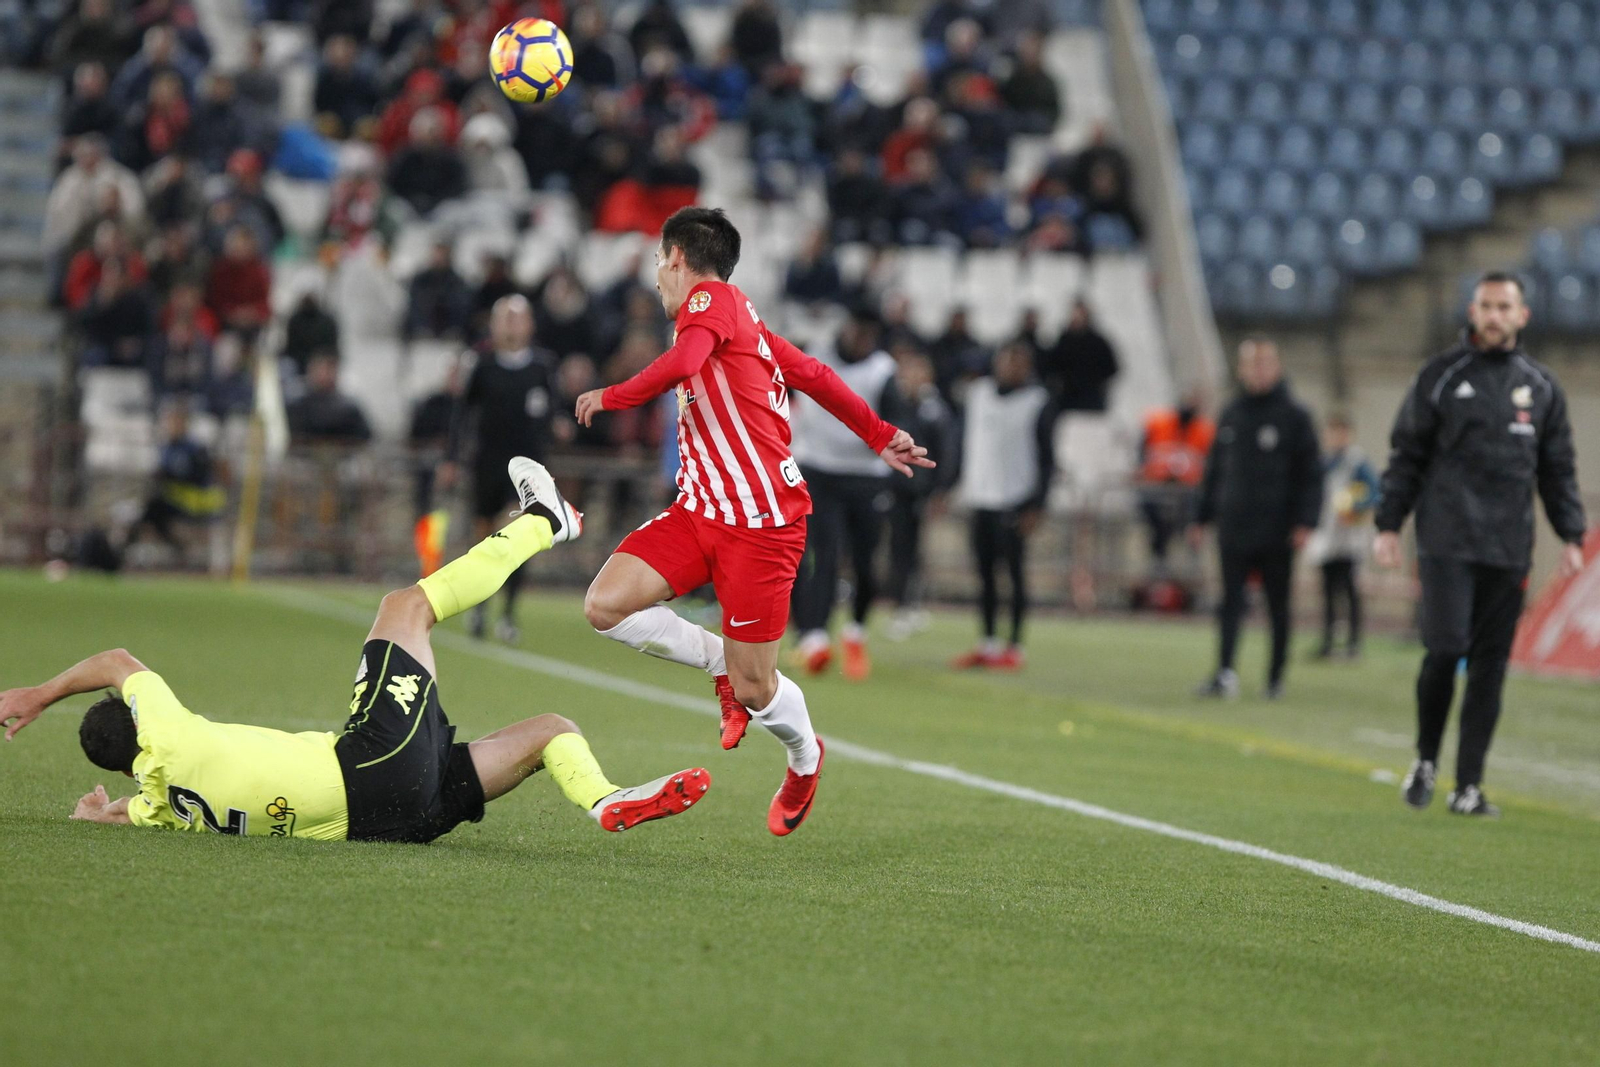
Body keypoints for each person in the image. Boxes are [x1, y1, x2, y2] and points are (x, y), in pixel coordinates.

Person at [0, 462, 713, 842]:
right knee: (405, 607)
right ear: (138, 724)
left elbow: (126, 812)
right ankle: (543, 521)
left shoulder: (161, 806)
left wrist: (96, 815)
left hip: (390, 824)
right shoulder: (168, 736)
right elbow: (118, 661)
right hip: (370, 766)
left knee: (551, 731)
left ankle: (604, 798)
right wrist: (38, 695)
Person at [572, 207, 934, 836]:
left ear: (677, 258)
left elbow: (685, 364)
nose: (656, 276)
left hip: (761, 525)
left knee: (757, 689)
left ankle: (805, 758)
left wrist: (612, 395)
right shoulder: (741, 318)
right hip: (698, 512)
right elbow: (813, 374)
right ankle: (720, 662)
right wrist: (878, 433)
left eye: (659, 260)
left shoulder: (710, 301)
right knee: (606, 605)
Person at [1374, 272, 1586, 817]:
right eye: (1486, 306)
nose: (1494, 316)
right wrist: (1388, 524)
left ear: (1522, 315)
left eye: (1504, 307)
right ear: (1472, 311)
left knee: (1490, 666)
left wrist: (1571, 535)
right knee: (1446, 649)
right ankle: (1426, 758)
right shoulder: (1440, 376)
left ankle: (1468, 786)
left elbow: (1557, 469)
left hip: (1509, 547)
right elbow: (1407, 455)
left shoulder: (1542, 388)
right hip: (1446, 540)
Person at [1190, 339, 1322, 700]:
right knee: (1229, 602)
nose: (1258, 371)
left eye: (1264, 363)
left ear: (1277, 367)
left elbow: (1311, 474)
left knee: (1277, 605)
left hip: (1277, 529)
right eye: (1251, 364)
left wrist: (1306, 521)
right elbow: (1214, 469)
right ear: (1242, 369)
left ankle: (1275, 678)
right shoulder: (1232, 413)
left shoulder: (1295, 416)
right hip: (1233, 525)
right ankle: (1224, 672)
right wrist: (1201, 517)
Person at [439, 295, 563, 644]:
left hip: (527, 467)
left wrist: (558, 428)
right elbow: (462, 414)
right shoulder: (482, 364)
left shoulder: (542, 366)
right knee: (483, 535)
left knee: (516, 535)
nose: (511, 325)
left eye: (517, 318)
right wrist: (451, 458)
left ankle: (508, 613)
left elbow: (553, 409)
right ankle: (480, 606)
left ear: (529, 324)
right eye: (504, 318)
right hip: (489, 462)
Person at [788, 306, 903, 681]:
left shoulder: (882, 371)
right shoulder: (814, 353)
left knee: (866, 563)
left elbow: (895, 421)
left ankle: (855, 632)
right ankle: (815, 637)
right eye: (858, 331)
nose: (861, 341)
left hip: (866, 476)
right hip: (818, 469)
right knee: (823, 553)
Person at [950, 341, 1056, 670]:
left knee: (1014, 574)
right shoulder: (978, 394)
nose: (1011, 368)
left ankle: (1015, 645)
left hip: (1015, 498)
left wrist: (1037, 505)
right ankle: (988, 641)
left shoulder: (1037, 401)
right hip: (980, 496)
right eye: (1008, 360)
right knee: (985, 575)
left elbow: (1047, 458)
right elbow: (961, 442)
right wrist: (948, 485)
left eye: (1019, 362)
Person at [886, 348, 955, 640]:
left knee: (912, 550)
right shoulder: (898, 404)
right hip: (897, 488)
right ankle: (903, 604)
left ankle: (910, 605)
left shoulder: (934, 410)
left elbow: (946, 452)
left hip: (919, 490)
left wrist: (941, 490)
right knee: (899, 548)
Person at [1308, 413, 1380, 660]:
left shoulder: (1356, 462)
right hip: (1328, 535)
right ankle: (1328, 641)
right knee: (1328, 590)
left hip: (1350, 537)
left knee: (1350, 590)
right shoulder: (1324, 462)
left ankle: (1353, 643)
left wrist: (1356, 507)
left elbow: (1374, 492)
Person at [1136, 388, 1213, 571]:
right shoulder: (1158, 423)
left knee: (1191, 522)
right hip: (1158, 486)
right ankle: (1159, 561)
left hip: (1188, 491)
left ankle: (1189, 568)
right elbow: (1142, 452)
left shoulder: (1205, 430)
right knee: (1157, 523)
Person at [1043, 298, 1119, 413]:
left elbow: (1111, 368)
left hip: (1092, 401)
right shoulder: (1063, 341)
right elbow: (1052, 366)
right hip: (1068, 402)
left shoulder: (1098, 342)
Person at [287, 352, 373, 444]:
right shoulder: (297, 406)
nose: (325, 375)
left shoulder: (349, 409)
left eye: (329, 370)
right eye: (321, 370)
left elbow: (364, 438)